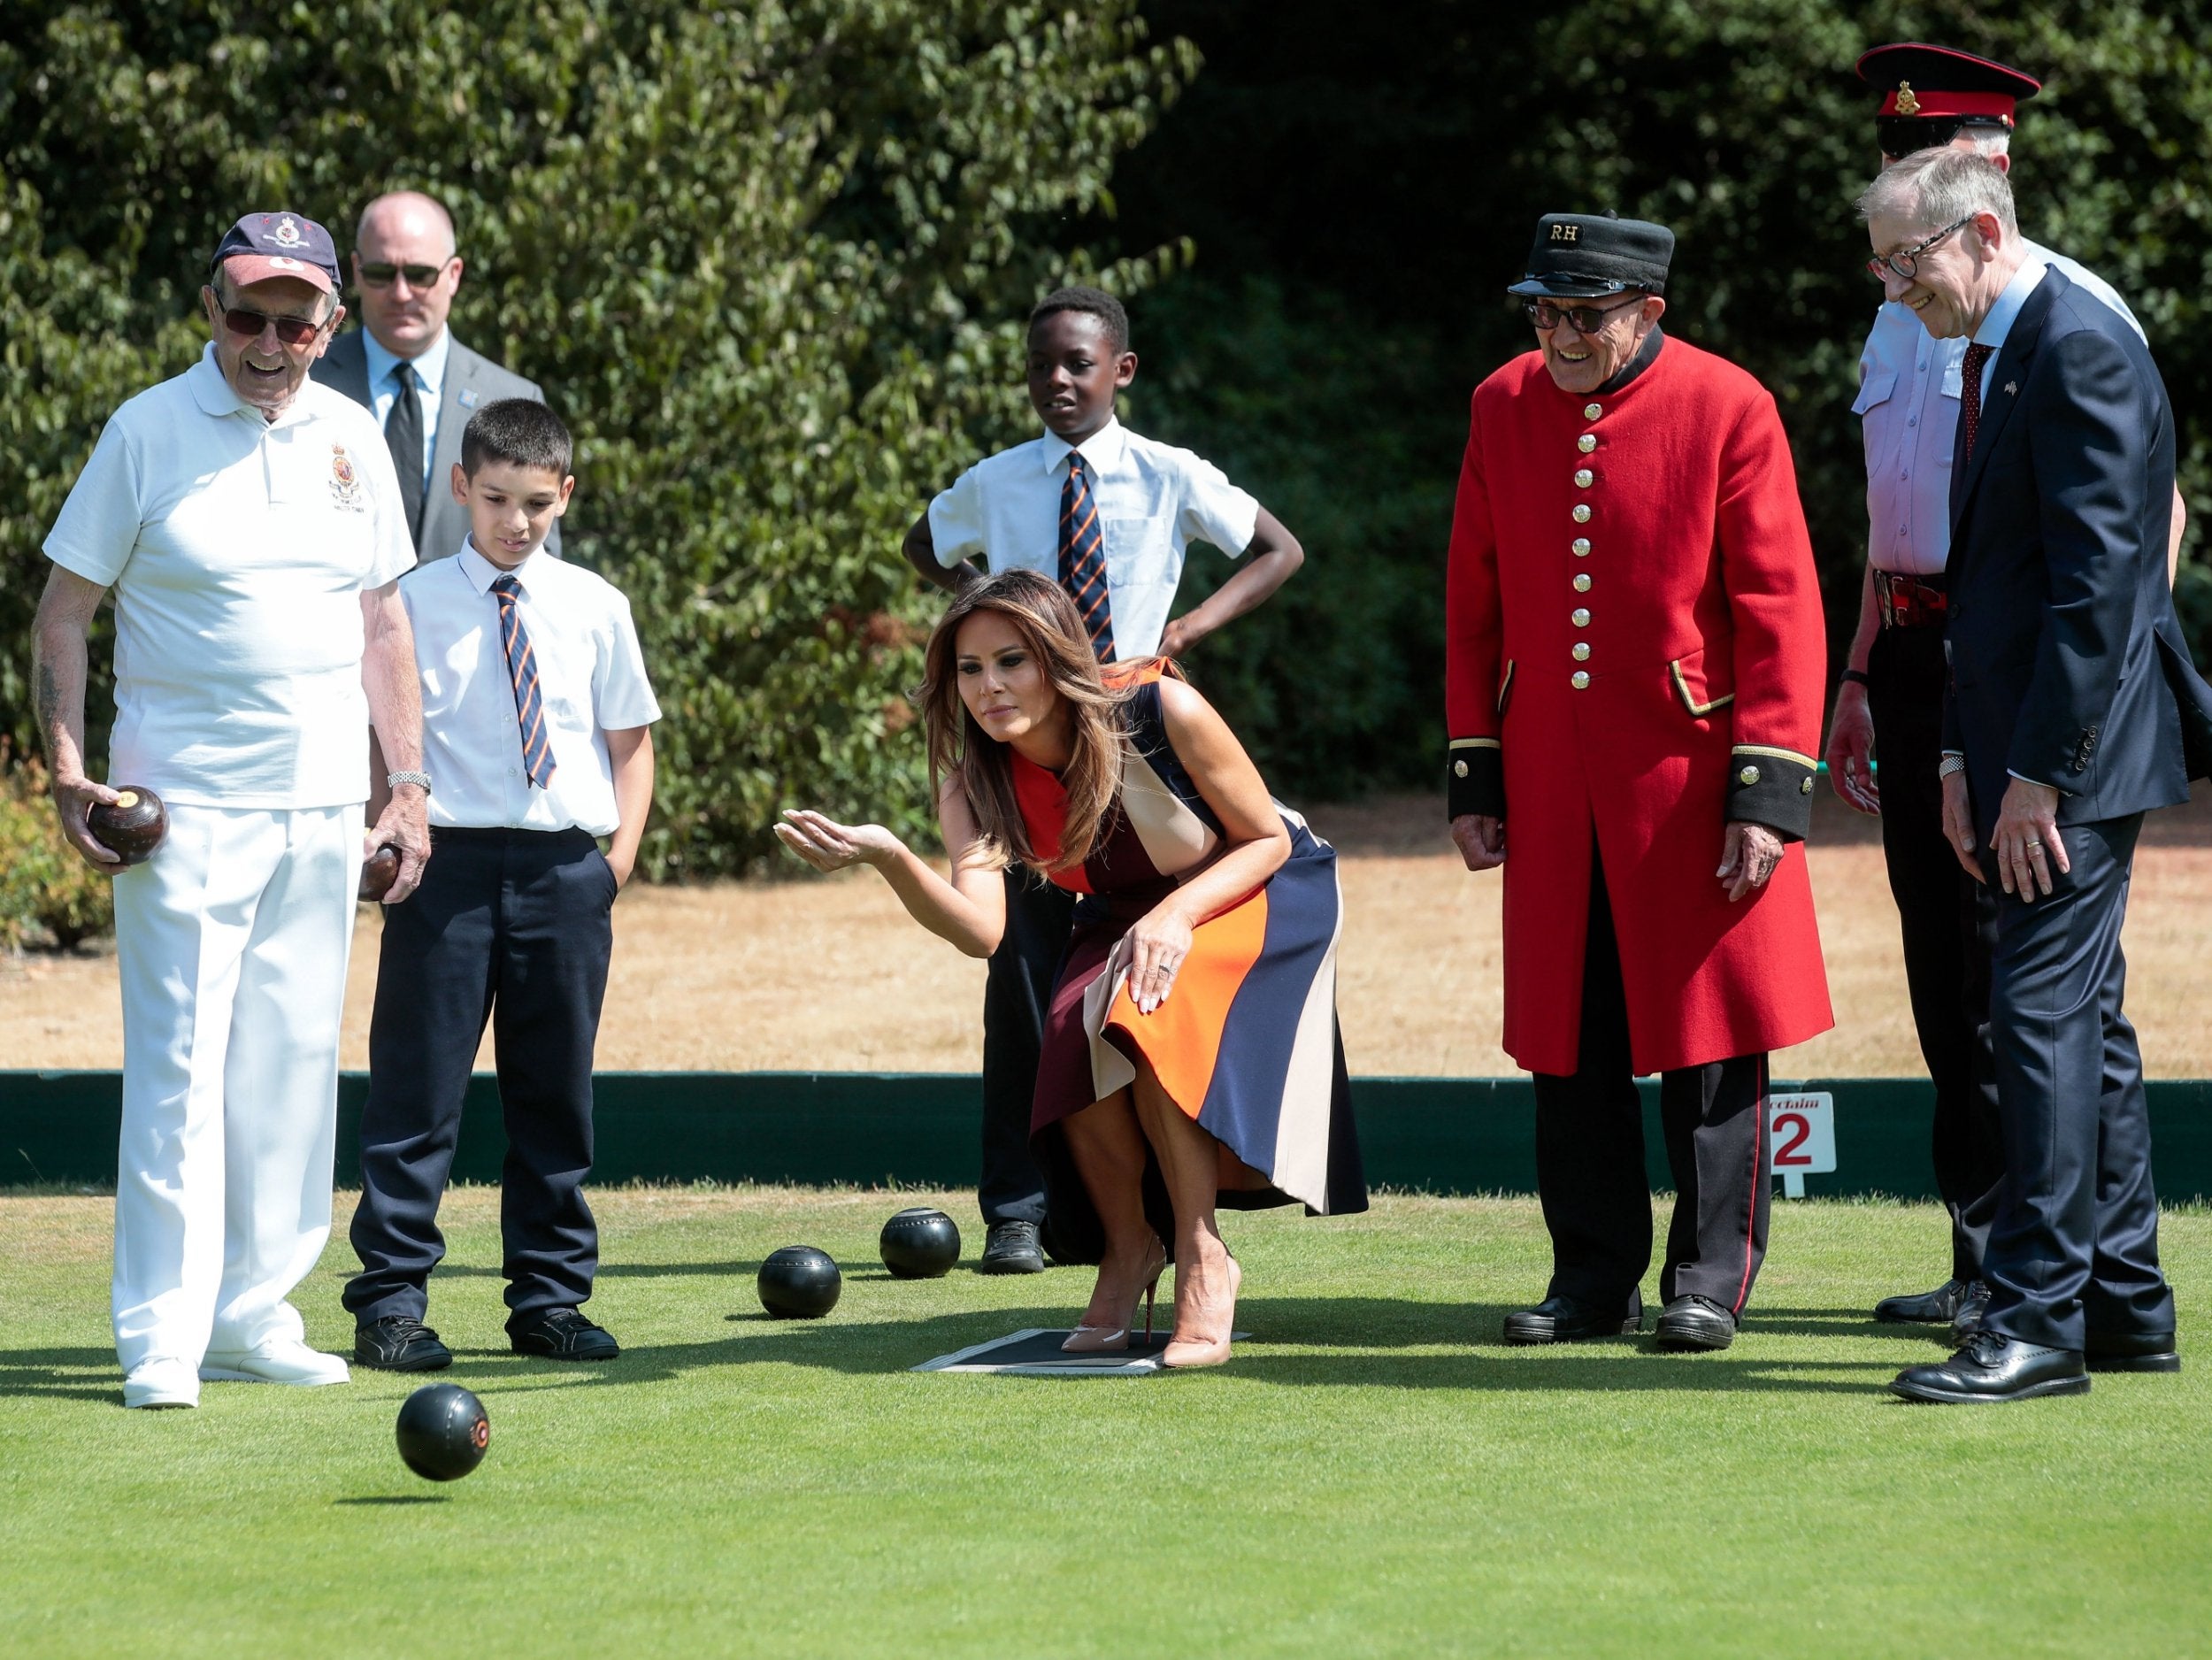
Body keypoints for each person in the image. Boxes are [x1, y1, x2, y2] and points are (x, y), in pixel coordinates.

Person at [32, 211, 426, 1410]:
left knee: (294, 1068)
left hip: (321, 810)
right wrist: (64, 769)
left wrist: (405, 788)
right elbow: (62, 614)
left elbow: (381, 625)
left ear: (330, 325)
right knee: (178, 1071)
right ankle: (160, 1337)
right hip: (183, 809)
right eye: (245, 314)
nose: (267, 339)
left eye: (293, 320)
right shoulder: (145, 431)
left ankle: (257, 1312)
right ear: (213, 310)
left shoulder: (353, 435)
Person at [1828, 42, 2189, 1337]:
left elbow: (2116, 569)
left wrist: (2041, 761)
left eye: (1907, 256)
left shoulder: (2072, 329)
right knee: (2028, 1001)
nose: (1894, 283)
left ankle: (2033, 1307)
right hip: (1953, 680)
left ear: (1988, 199)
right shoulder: (1946, 316)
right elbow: (1916, 529)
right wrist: (1889, 692)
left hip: (2056, 712)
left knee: (2030, 1006)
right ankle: (2123, 1299)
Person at [779, 570, 1363, 1367]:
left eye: (1011, 660)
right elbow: (983, 932)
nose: (990, 686)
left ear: (1056, 658)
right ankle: (1130, 1251)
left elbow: (1267, 840)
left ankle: (1202, 1255)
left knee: (1145, 1008)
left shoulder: (1161, 710)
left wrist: (1176, 915)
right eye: (970, 668)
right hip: (1125, 908)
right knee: (1068, 1036)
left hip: (1258, 885)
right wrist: (888, 856)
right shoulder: (973, 781)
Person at [1444, 211, 1833, 1354]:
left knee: (1711, 1037)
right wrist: (1479, 770)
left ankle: (1708, 1283)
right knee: (1572, 1040)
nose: (1558, 334)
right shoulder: (1499, 404)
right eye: (1545, 311)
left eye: (1585, 314)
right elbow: (1474, 600)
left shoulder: (1731, 405)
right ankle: (1590, 1280)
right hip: (1555, 781)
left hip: (1691, 778)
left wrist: (1766, 792)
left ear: (1649, 312)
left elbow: (1779, 608)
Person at [902, 286, 1308, 1272]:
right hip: (1027, 743)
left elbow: (1278, 548)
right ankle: (1018, 1208)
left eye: (1078, 364)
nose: (1058, 381)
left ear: (1120, 370)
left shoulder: (1168, 474)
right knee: (1023, 981)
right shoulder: (995, 481)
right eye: (1041, 365)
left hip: (1131, 733)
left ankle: (1171, 1215)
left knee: (1140, 981)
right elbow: (922, 545)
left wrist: (1189, 631)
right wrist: (988, 617)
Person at [344, 399, 659, 1371]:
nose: (513, 523)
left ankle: (550, 1301)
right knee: (416, 1094)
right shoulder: (409, 602)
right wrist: (388, 837)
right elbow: (378, 732)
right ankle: (392, 1302)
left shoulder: (596, 605)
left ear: (565, 494)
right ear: (458, 491)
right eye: (493, 500)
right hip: (445, 870)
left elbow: (630, 743)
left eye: (533, 502)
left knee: (554, 1095)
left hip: (565, 872)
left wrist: (613, 866)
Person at [311, 189, 560, 565]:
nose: (401, 293)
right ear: (357, 272)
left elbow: (540, 564)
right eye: (381, 273)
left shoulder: (513, 398)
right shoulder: (304, 382)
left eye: (419, 274)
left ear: (453, 275)